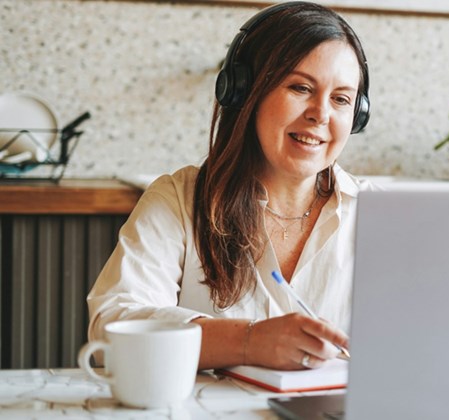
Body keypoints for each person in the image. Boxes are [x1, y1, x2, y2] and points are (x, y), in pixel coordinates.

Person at [87, 1, 375, 371]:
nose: (320, 113)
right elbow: (111, 329)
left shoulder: (382, 214)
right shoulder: (178, 199)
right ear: (244, 93)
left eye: (341, 99)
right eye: (300, 87)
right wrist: (248, 342)